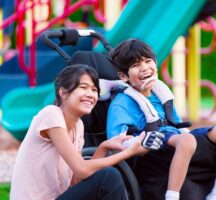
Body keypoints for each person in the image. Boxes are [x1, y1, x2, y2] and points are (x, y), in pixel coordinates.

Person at [107, 39, 216, 200]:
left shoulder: (160, 93)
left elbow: (177, 124)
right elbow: (115, 141)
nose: (144, 68)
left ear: (155, 64)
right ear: (123, 76)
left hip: (176, 137)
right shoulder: (121, 103)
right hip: (153, 144)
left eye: (148, 61)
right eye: (135, 65)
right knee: (187, 141)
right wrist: (137, 142)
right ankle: (172, 196)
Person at [10, 64, 164, 200]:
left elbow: (77, 179)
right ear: (63, 93)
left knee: (106, 179)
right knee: (109, 176)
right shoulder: (51, 114)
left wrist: (104, 147)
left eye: (94, 89)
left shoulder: (78, 126)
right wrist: (129, 152)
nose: (91, 94)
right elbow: (82, 169)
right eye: (83, 87)